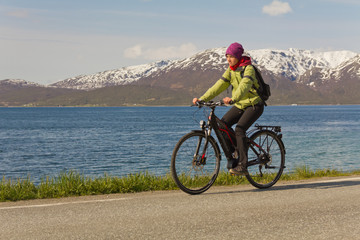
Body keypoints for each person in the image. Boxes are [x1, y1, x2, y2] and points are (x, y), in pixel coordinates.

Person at [192, 42, 264, 175]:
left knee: (239, 129)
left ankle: (243, 165)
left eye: (231, 56)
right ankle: (236, 151)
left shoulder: (248, 69)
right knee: (222, 124)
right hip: (240, 104)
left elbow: (244, 86)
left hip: (254, 105)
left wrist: (233, 99)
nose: (228, 60)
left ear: (238, 56)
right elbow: (218, 86)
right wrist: (202, 99)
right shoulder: (230, 70)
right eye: (227, 57)